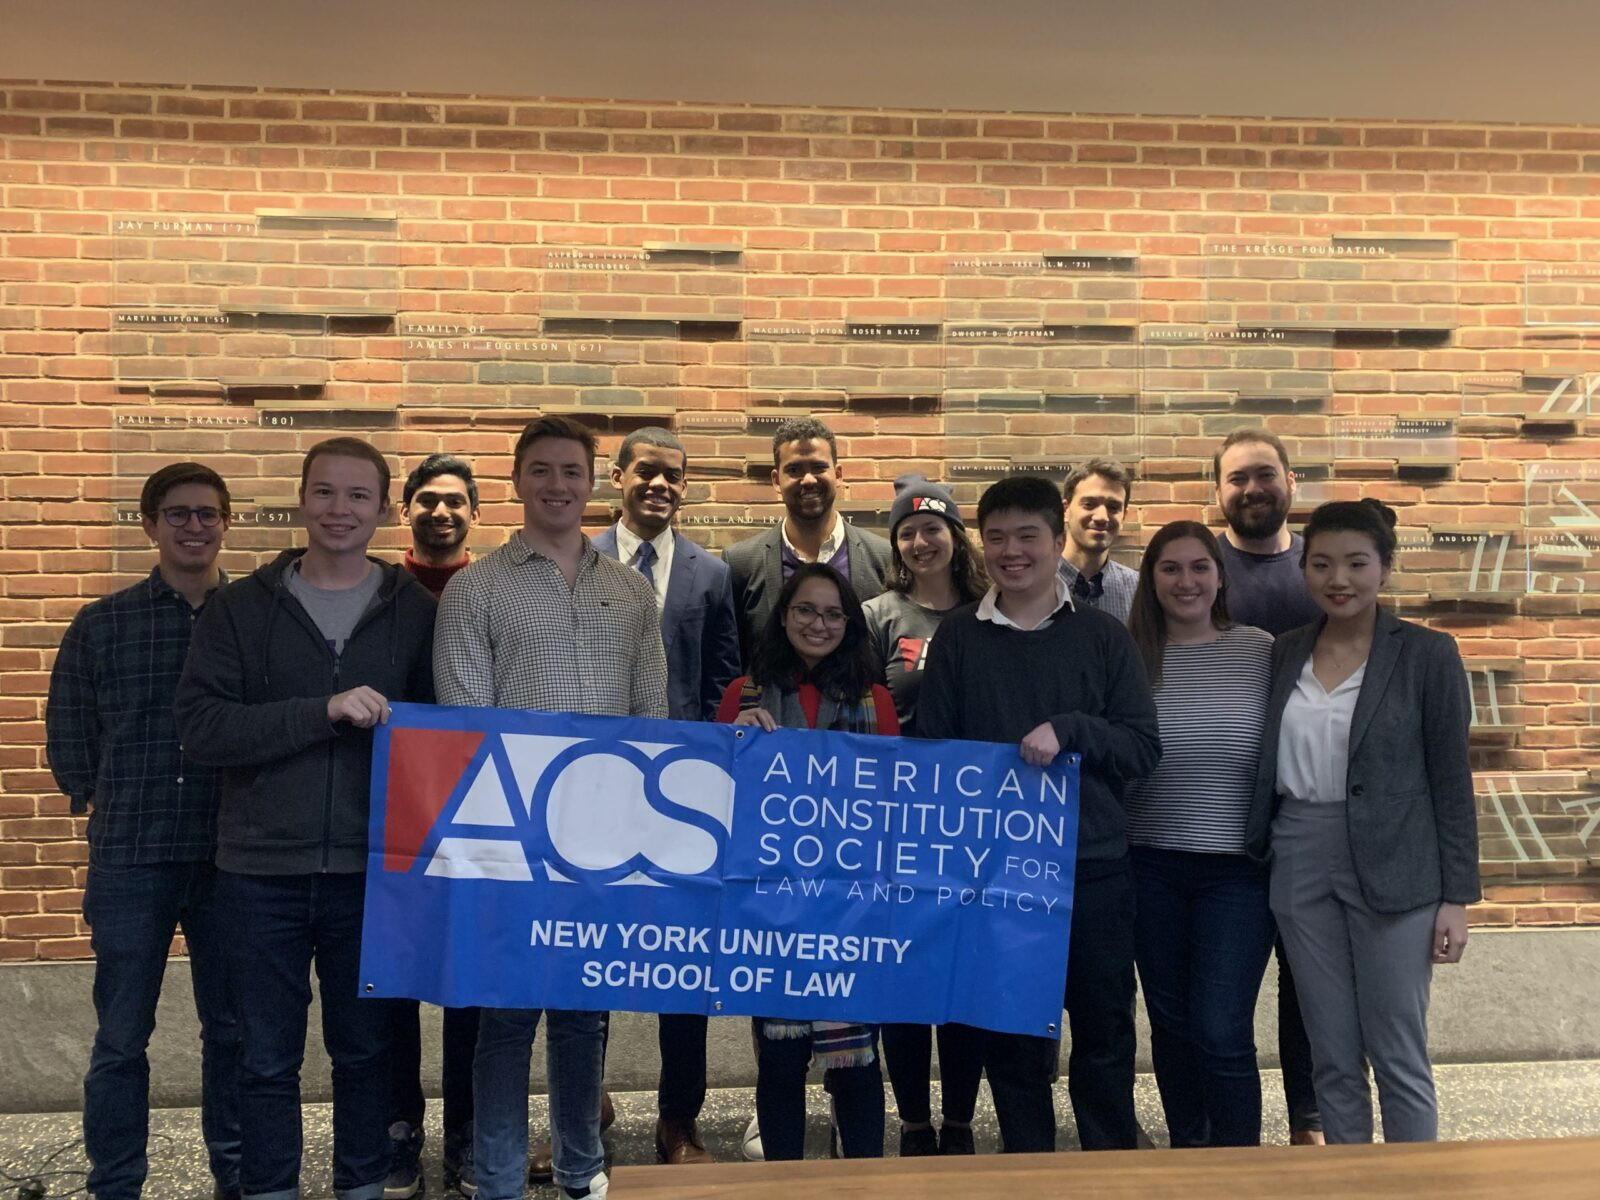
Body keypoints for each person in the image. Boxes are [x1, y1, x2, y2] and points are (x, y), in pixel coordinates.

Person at [175, 438, 437, 1200]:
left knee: (366, 1054)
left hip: (371, 872)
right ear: (301, 499)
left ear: (384, 510)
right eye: (324, 492)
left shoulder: (418, 613)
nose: (339, 510)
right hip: (259, 872)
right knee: (263, 1058)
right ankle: (269, 1189)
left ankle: (361, 1187)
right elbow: (202, 728)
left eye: (358, 496)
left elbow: (445, 733)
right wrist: (321, 711)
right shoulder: (240, 609)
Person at [434, 416, 667, 1200]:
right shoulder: (476, 588)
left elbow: (652, 720)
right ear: (516, 480)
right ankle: (498, 1177)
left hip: (603, 840)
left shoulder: (630, 593)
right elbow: (464, 719)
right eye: (541, 470)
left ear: (592, 482)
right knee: (504, 1018)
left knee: (581, 1016)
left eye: (571, 470)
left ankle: (580, 1168)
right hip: (509, 837)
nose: (557, 484)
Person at [917, 475, 1161, 1154]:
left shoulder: (1104, 637)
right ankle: (1028, 1172)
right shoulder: (958, 638)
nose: (1011, 552)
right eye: (996, 538)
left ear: (1058, 542)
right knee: (1015, 1043)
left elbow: (1143, 748)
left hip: (1094, 872)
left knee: (1105, 1033)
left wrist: (1072, 729)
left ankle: (1108, 1168)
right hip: (999, 880)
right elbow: (934, 757)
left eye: (1028, 536)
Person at [1247, 499, 1478, 1145]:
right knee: (1330, 1050)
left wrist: (1456, 898)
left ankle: (1412, 1185)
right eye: (1321, 564)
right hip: (1298, 852)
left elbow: (1451, 781)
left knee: (1397, 1047)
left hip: (1397, 862)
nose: (1338, 579)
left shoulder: (1427, 653)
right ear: (1304, 569)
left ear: (1385, 566)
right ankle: (1350, 1181)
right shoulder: (1285, 652)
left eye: (1356, 563)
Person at [46, 463, 242, 1200]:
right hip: (132, 856)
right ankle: (117, 1182)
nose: (194, 526)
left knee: (234, 1032)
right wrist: (104, 794)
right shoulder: (103, 623)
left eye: (207, 513)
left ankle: (237, 1175)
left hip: (231, 857)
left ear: (226, 523)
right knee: (121, 1038)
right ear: (150, 524)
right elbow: (69, 731)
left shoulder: (253, 618)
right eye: (178, 513)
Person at [591, 426, 740, 1168]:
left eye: (672, 475)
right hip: (591, 789)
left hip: (683, 800)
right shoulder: (579, 559)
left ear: (685, 487)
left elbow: (722, 684)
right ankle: (582, 1106)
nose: (659, 484)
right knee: (586, 960)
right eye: (645, 471)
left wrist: (711, 784)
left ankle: (679, 1120)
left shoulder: (711, 574)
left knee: (685, 966)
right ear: (617, 476)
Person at [716, 562, 896, 1161]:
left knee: (857, 1062)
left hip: (851, 908)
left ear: (850, 625)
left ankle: (862, 1182)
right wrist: (729, 744)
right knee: (780, 1059)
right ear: (784, 616)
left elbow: (894, 804)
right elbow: (716, 800)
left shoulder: (876, 702)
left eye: (833, 614)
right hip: (771, 909)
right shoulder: (742, 696)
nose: (819, 624)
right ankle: (783, 1182)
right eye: (806, 610)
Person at [1123, 521, 1277, 1147]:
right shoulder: (1128, 655)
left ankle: (1240, 1167)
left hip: (1237, 871)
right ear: (1150, 578)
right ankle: (1189, 1152)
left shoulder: (1261, 651)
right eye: (1170, 568)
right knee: (1171, 1024)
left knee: (1220, 1028)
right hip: (1147, 865)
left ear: (1219, 576)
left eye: (1198, 567)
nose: (1185, 581)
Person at [862, 478, 988, 1157]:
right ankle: (913, 1121)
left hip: (974, 821)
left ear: (955, 536)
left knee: (963, 974)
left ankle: (960, 1120)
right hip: (895, 822)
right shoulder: (878, 615)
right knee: (904, 972)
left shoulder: (989, 610)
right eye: (907, 532)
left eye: (932, 528)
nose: (920, 541)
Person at [1212, 426, 1325, 1145]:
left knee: (1308, 980)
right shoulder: (1200, 569)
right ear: (1217, 492)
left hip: (1308, 807)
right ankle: (1219, 1131)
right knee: (1222, 996)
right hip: (1222, 815)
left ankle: (1310, 1119)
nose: (1252, 489)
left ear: (1290, 481)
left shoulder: (1320, 569)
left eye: (1264, 474)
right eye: (1237, 478)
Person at [387, 453, 482, 1197]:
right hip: (394, 812)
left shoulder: (493, 589)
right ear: (406, 511)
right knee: (393, 982)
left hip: (482, 813)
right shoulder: (381, 592)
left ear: (475, 514)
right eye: (427, 500)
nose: (441, 512)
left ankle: (467, 1140)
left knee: (468, 987)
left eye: (455, 501)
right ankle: (398, 1135)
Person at [724, 417, 892, 664]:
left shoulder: (884, 557)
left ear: (838, 474)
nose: (809, 479)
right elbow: (731, 658)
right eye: (794, 470)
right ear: (776, 480)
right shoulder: (740, 563)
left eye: (818, 467)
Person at [1057, 458, 1139, 623]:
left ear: (1124, 515)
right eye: (1089, 504)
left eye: (1113, 507)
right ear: (1066, 510)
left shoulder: (1138, 590)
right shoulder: (1034, 583)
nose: (1102, 517)